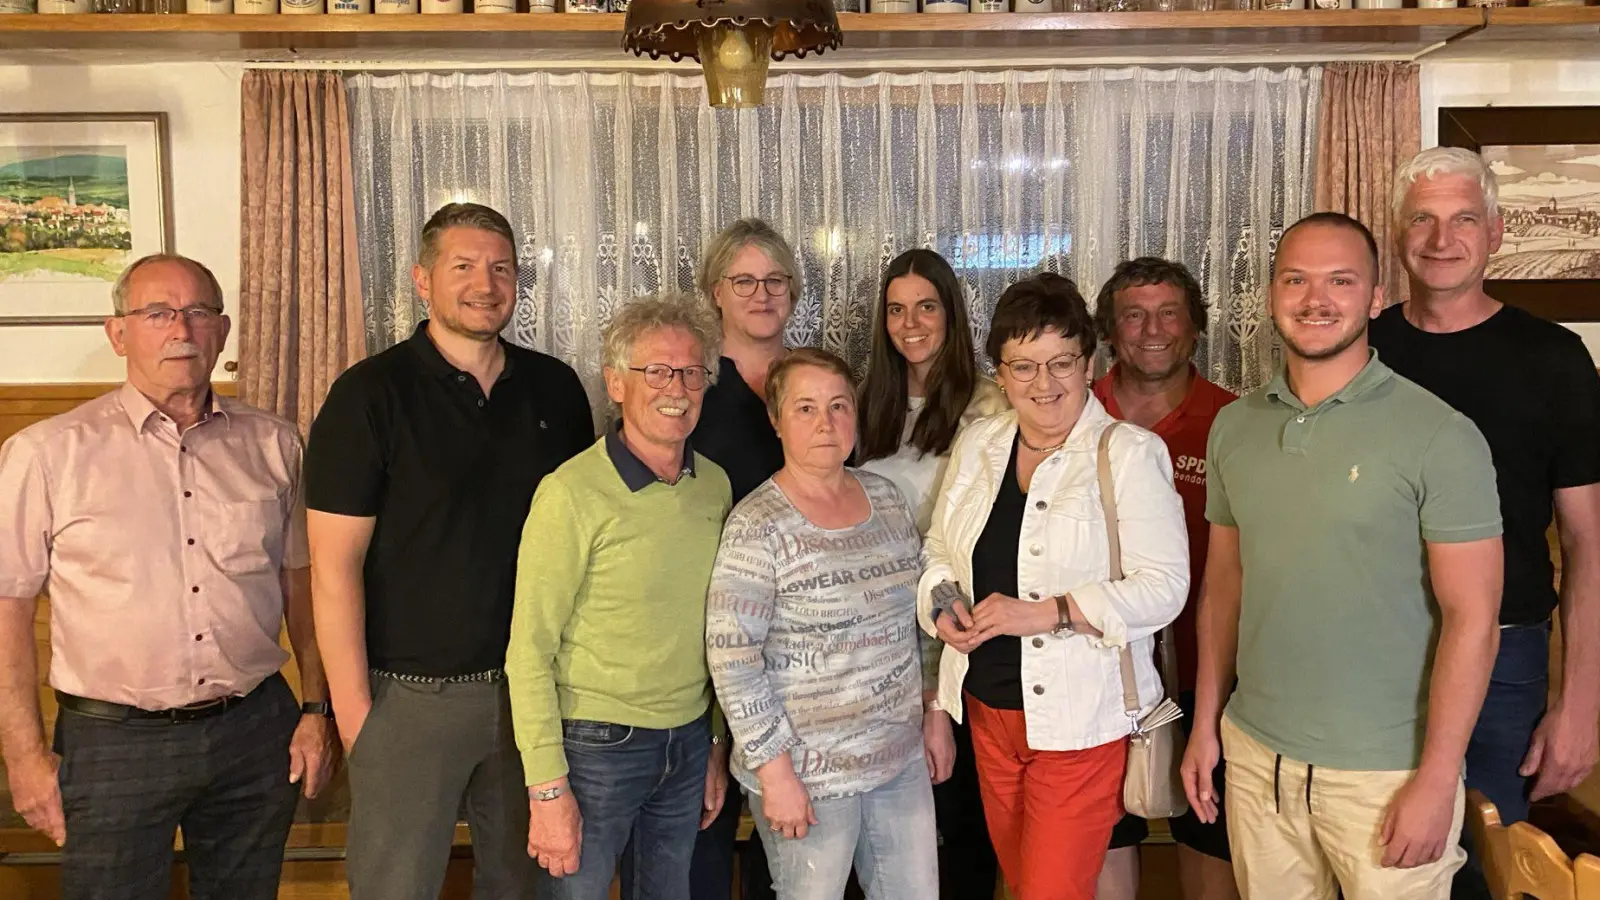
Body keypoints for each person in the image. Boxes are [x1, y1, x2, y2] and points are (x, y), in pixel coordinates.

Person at [1182, 211, 1504, 900]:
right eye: (1296, 279)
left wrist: (1438, 779)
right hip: (1255, 755)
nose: (1315, 299)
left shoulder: (1440, 435)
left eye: (1340, 280)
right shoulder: (1236, 427)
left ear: (1375, 297)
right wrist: (1207, 725)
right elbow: (1223, 588)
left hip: (1385, 773)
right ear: (1270, 294)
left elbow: (1472, 619)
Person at [0, 254, 337, 900]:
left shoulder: (277, 445)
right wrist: (23, 756)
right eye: (157, 312)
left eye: (198, 311)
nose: (180, 327)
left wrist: (316, 709)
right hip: (112, 743)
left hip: (253, 730)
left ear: (224, 329)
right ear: (119, 333)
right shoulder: (45, 454)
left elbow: (304, 589)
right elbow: (8, 613)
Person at [305, 203, 594, 900]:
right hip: (410, 699)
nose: (484, 283)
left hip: (533, 696)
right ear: (421, 281)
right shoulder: (368, 395)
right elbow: (332, 568)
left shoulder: (555, 387)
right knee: (394, 889)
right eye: (462, 266)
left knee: (524, 888)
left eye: (500, 267)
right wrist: (355, 719)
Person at [1370, 147, 1600, 900]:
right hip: (1376, 652)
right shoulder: (1359, 350)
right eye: (1423, 221)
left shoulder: (1554, 358)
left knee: (1484, 868)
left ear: (1496, 233)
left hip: (1506, 658)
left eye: (1464, 219)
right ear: (1398, 235)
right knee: (1376, 859)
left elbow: (1588, 541)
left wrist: (1578, 704)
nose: (1442, 239)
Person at [921, 272, 1189, 900]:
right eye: (1022, 366)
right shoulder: (981, 444)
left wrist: (1046, 614)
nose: (1043, 385)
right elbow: (938, 552)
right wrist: (941, 607)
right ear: (1001, 372)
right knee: (1020, 882)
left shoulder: (1128, 452)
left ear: (1089, 362)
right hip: (987, 715)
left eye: (1061, 362)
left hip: (1080, 726)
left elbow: (1164, 588)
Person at [508, 295, 732, 900]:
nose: (676, 388)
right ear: (615, 383)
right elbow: (528, 653)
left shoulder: (714, 484)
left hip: (686, 740)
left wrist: (713, 741)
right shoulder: (571, 493)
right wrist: (547, 788)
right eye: (656, 371)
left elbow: (717, 628)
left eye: (691, 372)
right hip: (595, 746)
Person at [707, 348, 940, 900]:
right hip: (807, 774)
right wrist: (774, 772)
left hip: (898, 762)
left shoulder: (886, 498)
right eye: (806, 408)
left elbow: (919, 620)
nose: (826, 422)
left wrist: (934, 711)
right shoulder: (757, 523)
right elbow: (733, 658)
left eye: (839, 405)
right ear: (776, 419)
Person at [856, 248, 1006, 898]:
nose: (911, 323)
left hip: (960, 634)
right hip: (875, 645)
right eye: (896, 310)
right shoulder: (864, 406)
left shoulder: (993, 407)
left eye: (926, 307)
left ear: (951, 314)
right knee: (883, 832)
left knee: (961, 823)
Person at [1090, 257, 1238, 900]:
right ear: (1110, 332)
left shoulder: (1236, 423)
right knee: (1102, 841)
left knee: (1212, 834)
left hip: (1212, 674)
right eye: (1133, 315)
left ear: (1195, 327)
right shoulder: (1071, 415)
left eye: (1168, 312)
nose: (1152, 330)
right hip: (1098, 676)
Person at [683, 217, 801, 900]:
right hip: (707, 637)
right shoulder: (691, 391)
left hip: (800, 643)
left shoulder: (812, 383)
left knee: (794, 830)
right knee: (704, 825)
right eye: (744, 281)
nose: (762, 295)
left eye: (775, 281)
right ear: (715, 292)